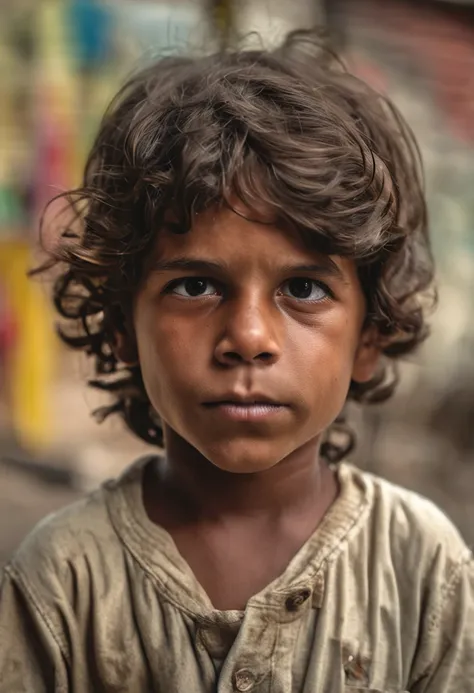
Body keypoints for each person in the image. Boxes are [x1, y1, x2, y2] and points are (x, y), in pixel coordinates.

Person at [0, 28, 472, 693]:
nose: (248, 336)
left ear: (369, 334)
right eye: (196, 285)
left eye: (302, 289)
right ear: (122, 329)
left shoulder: (423, 569)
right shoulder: (64, 580)